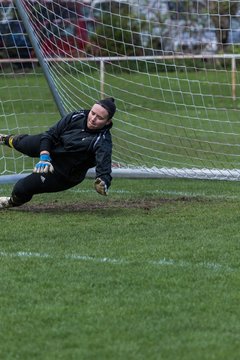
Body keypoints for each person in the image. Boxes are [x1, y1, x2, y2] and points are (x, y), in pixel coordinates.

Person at [0, 97, 116, 209]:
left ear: (107, 122)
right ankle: (4, 139)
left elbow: (104, 168)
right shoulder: (77, 116)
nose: (92, 119)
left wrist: (102, 182)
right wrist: (45, 156)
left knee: (22, 187)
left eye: (99, 117)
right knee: (22, 143)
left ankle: (10, 202)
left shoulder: (102, 141)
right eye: (92, 113)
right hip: (54, 146)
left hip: (63, 173)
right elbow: (50, 134)